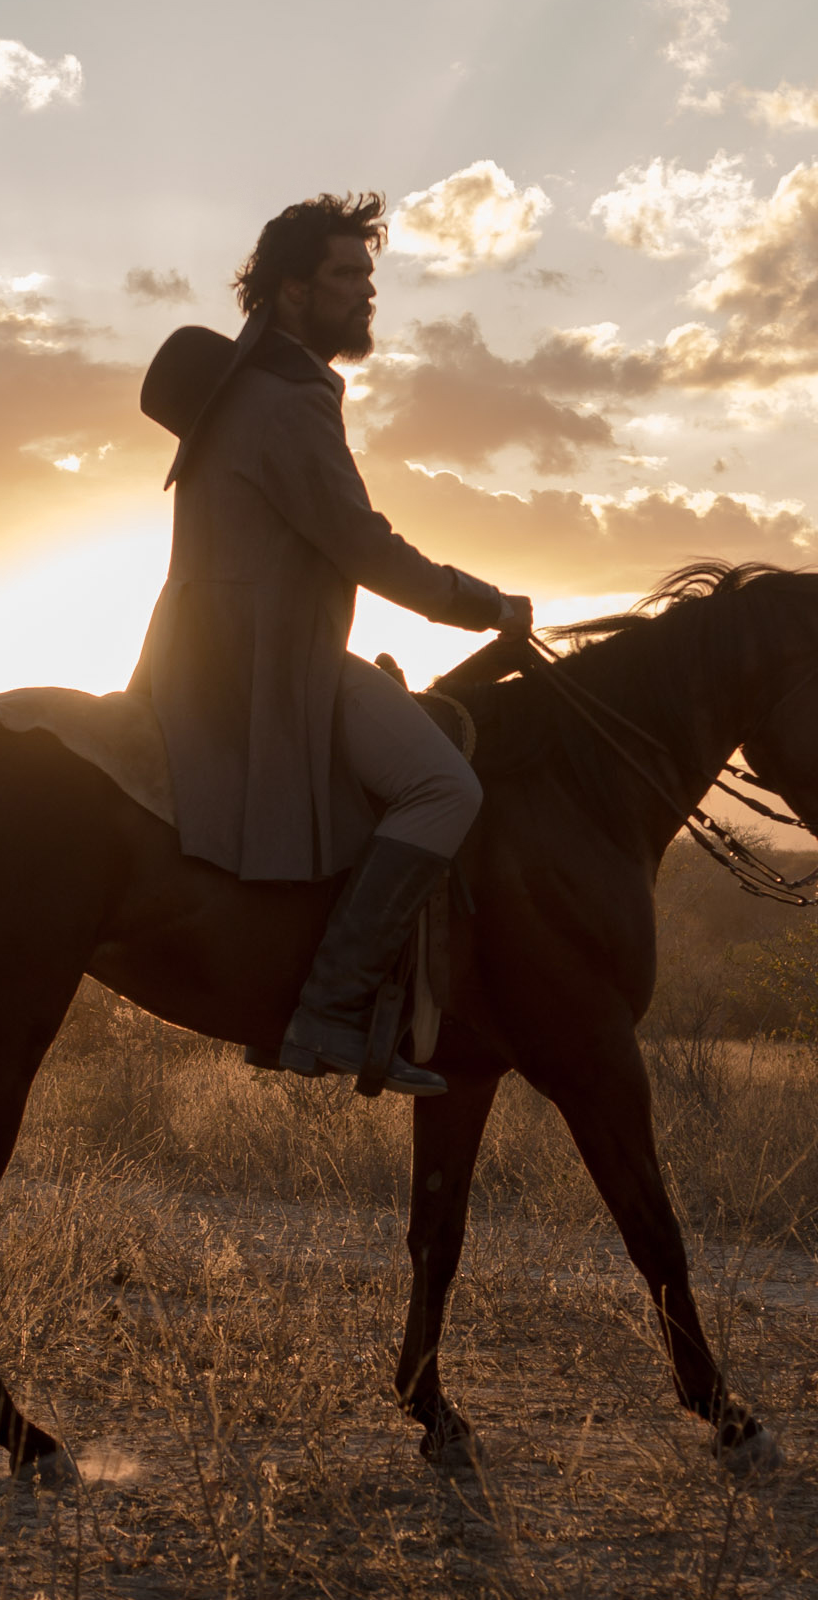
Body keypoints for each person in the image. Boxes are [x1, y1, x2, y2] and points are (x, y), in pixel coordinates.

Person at [131, 193, 532, 1098]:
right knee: (443, 786)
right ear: (287, 291)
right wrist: (486, 606)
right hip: (269, 666)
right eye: (346, 277)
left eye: (370, 277)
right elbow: (363, 543)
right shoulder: (286, 399)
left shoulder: (247, 387)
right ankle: (334, 1005)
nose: (367, 294)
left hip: (206, 651)